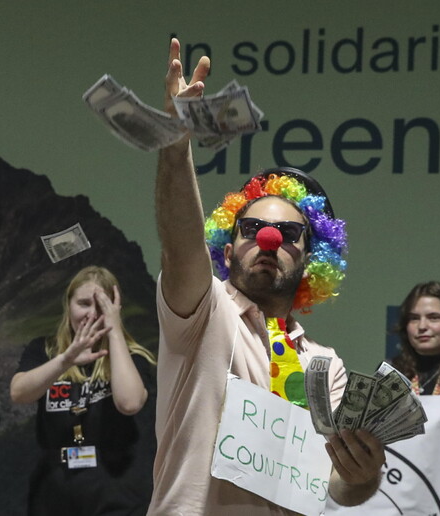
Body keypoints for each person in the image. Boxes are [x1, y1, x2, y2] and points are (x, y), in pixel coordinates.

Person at [148, 38, 384, 515]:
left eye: (289, 232)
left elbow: (338, 487)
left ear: (312, 256)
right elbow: (179, 245)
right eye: (253, 228)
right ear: (228, 244)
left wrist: (362, 477)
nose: (270, 240)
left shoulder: (325, 365)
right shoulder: (203, 312)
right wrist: (176, 150)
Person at [10, 266, 156, 515]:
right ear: (69, 306)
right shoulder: (44, 350)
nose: (91, 314)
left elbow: (129, 403)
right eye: (84, 303)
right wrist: (65, 360)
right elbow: (19, 393)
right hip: (55, 491)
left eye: (102, 306)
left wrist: (114, 330)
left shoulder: (133, 357)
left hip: (116, 489)